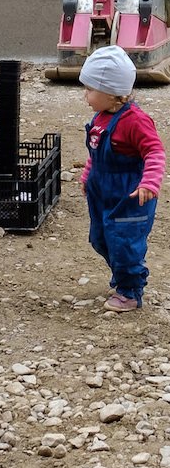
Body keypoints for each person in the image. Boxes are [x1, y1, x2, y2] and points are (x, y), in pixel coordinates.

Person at [80, 44, 164, 314]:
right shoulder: (102, 117)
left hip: (129, 195)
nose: (86, 96)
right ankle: (122, 273)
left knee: (124, 242)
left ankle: (130, 290)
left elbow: (154, 151)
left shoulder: (135, 121)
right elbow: (95, 152)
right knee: (100, 239)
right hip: (102, 192)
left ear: (111, 92)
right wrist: (87, 175)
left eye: (90, 90)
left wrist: (149, 183)